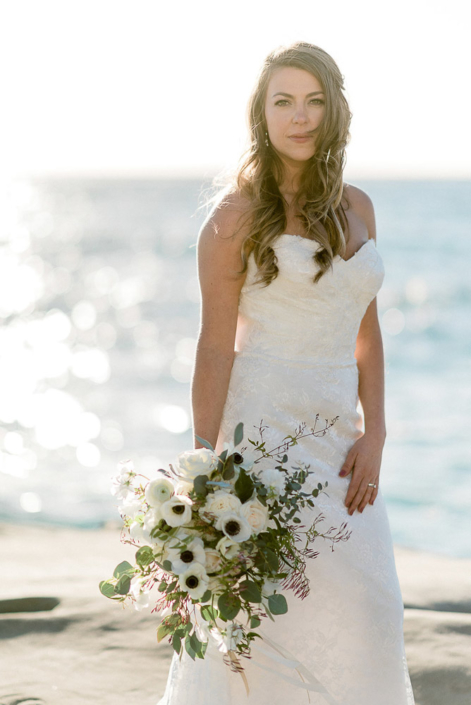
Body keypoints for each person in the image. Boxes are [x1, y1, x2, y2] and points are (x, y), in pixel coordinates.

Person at [157, 41, 415, 705]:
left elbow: (367, 332)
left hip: (341, 438)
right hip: (262, 431)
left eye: (313, 100)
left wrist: (376, 432)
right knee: (265, 614)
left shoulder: (358, 206)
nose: (299, 116)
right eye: (283, 102)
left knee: (371, 606)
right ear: (261, 116)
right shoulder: (232, 217)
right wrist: (206, 466)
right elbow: (215, 346)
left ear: (333, 112)